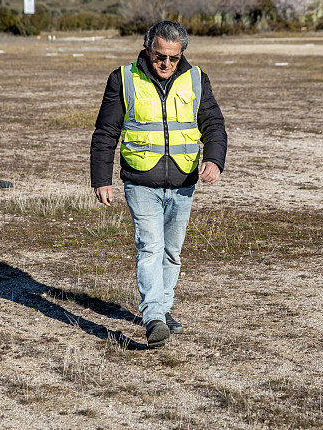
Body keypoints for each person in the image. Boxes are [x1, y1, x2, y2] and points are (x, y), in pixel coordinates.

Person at [90, 20, 227, 348]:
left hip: (183, 181)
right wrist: (101, 178)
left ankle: (163, 310)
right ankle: (152, 316)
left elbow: (213, 124)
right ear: (147, 49)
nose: (166, 63)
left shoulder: (197, 79)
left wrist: (214, 159)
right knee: (149, 247)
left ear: (182, 55)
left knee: (172, 251)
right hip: (141, 182)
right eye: (159, 56)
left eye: (173, 58)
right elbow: (106, 132)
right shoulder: (123, 79)